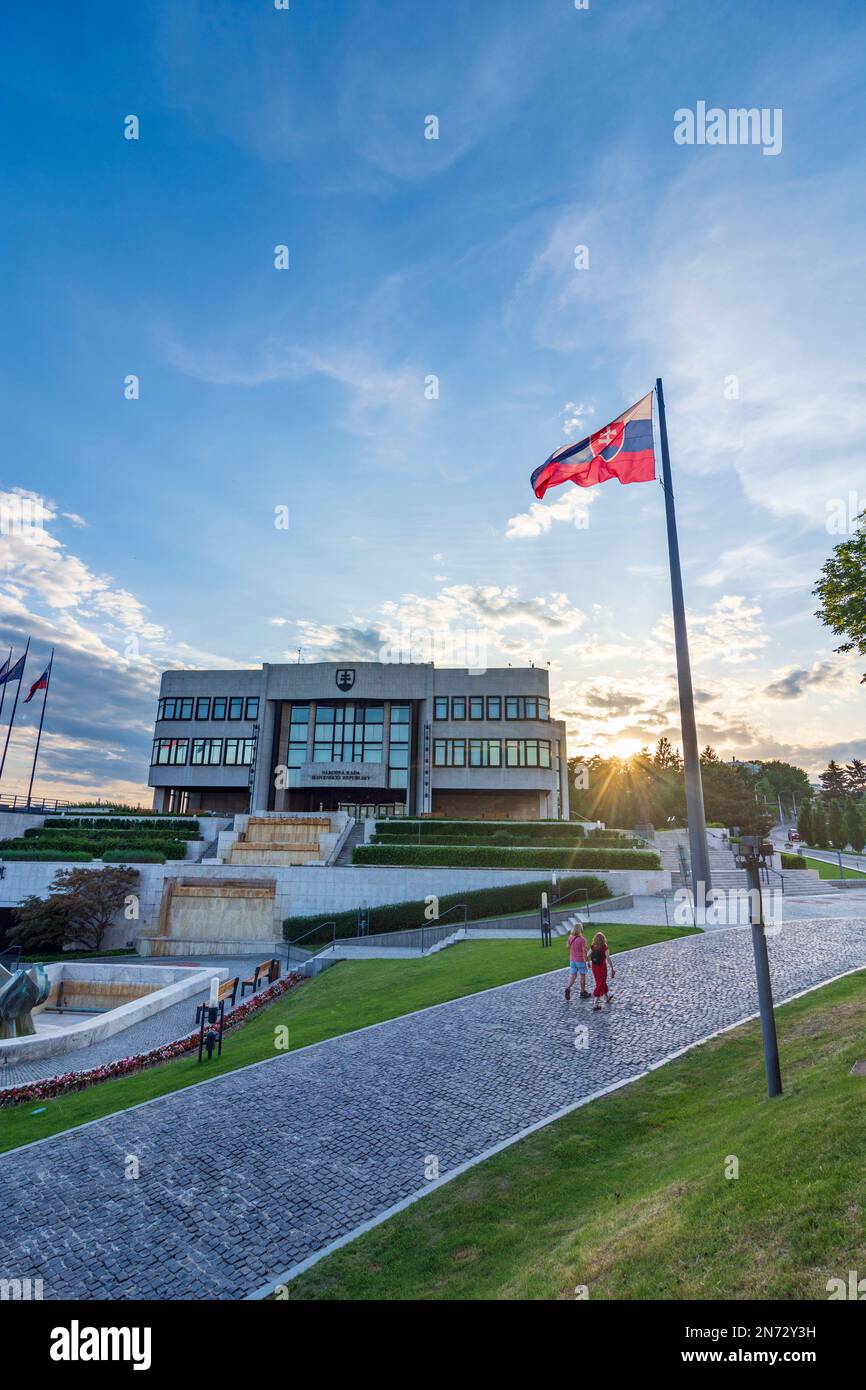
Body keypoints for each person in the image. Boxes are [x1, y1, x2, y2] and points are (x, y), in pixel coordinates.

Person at [564, 921, 590, 1001]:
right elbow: (585, 951)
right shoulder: (582, 939)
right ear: (580, 929)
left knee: (573, 976)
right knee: (582, 976)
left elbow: (568, 947)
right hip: (580, 960)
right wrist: (588, 961)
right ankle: (582, 992)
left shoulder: (570, 937)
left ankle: (568, 988)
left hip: (572, 960)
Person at [589, 932, 615, 1010]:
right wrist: (612, 967)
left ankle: (607, 998)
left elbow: (587, 955)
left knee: (601, 982)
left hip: (594, 967)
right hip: (602, 967)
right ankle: (595, 1003)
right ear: (603, 939)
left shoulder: (593, 946)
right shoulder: (604, 947)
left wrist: (588, 962)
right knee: (600, 983)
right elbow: (608, 958)